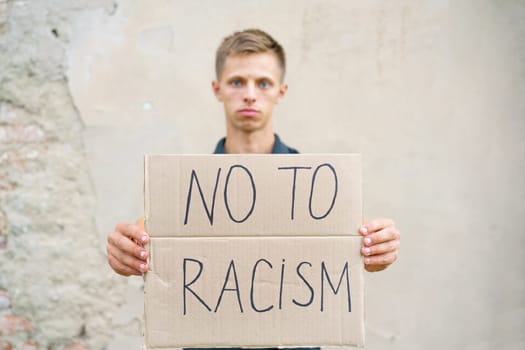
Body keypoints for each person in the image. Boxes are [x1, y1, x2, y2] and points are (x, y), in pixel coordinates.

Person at [107, 29, 400, 278]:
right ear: (217, 89)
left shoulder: (318, 185)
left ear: (280, 92)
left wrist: (378, 249)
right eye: (237, 82)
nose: (249, 94)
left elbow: (355, 246)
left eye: (263, 83)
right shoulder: (189, 188)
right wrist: (126, 251)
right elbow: (146, 236)